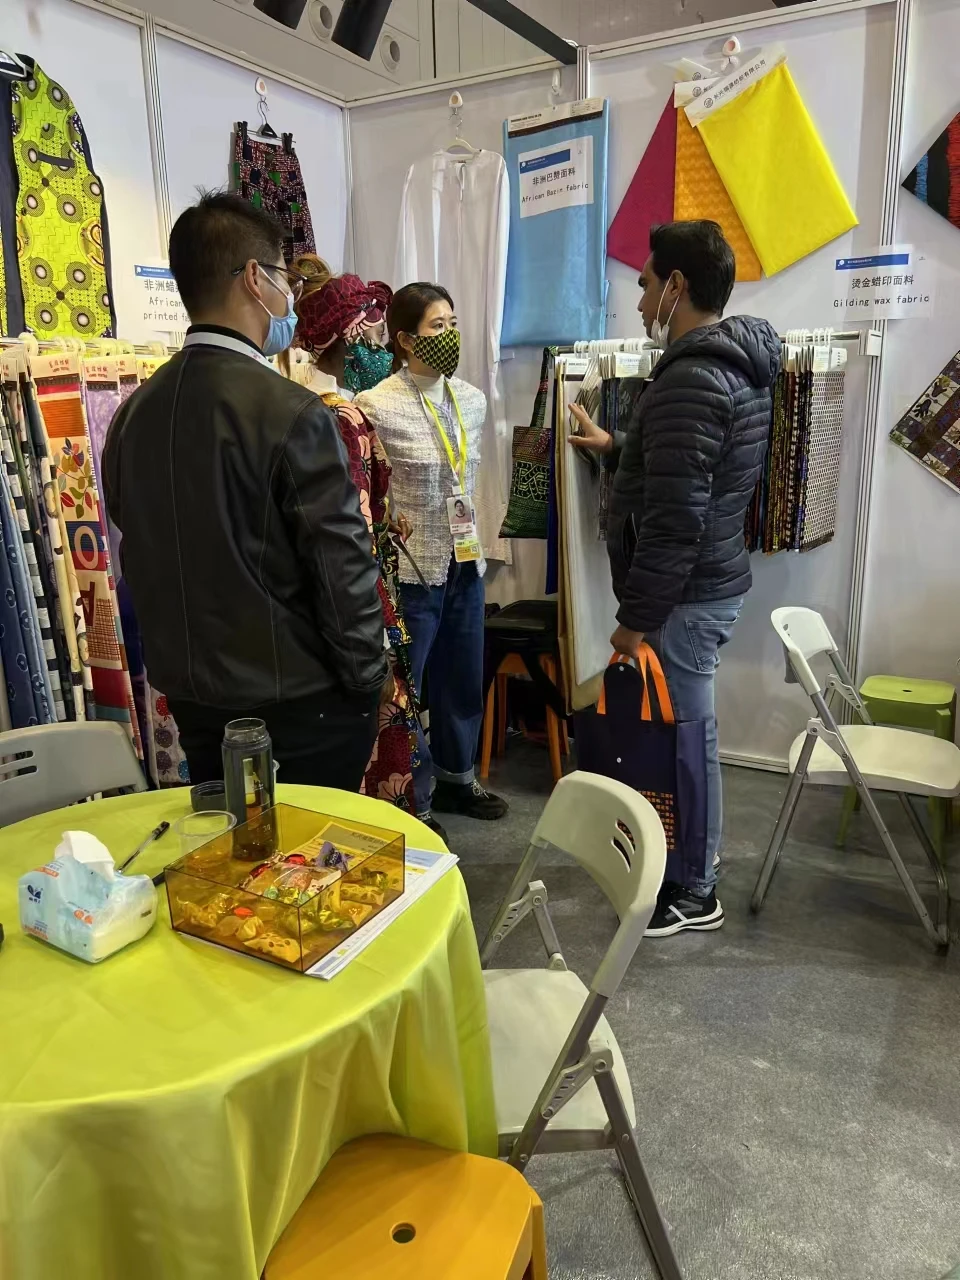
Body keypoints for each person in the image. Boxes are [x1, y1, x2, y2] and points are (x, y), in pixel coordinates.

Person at [102, 192, 388, 789]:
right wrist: (368, 680)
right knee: (308, 844)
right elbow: (340, 567)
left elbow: (139, 545)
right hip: (300, 702)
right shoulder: (294, 412)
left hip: (193, 698)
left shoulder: (132, 414)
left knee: (229, 837)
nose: (292, 295)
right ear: (256, 278)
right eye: (287, 277)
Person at [571, 220, 779, 938]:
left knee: (687, 740)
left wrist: (632, 619)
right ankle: (693, 867)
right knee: (692, 733)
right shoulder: (731, 364)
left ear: (677, 286)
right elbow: (699, 465)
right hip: (708, 584)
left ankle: (695, 888)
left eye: (646, 284)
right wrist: (618, 445)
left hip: (684, 596)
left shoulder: (692, 375)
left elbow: (676, 520)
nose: (639, 302)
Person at [355, 283, 508, 833]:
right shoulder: (375, 405)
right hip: (412, 567)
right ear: (404, 339)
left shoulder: (472, 399)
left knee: (463, 676)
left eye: (453, 323)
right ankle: (413, 798)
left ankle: (457, 778)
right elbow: (370, 489)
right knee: (407, 689)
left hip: (464, 561)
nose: (450, 335)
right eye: (437, 326)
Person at [291, 257, 419, 811]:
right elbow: (349, 526)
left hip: (344, 584)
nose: (380, 348)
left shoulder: (309, 407)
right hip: (358, 591)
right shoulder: (337, 417)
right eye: (371, 334)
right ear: (349, 337)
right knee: (376, 716)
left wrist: (384, 521)